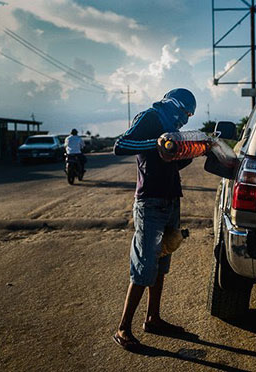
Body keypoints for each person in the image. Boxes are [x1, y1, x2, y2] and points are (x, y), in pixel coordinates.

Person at [112, 88, 196, 351]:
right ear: (173, 105)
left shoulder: (172, 128)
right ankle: (123, 328)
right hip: (150, 202)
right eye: (184, 113)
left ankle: (153, 318)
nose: (185, 120)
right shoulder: (150, 117)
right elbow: (121, 145)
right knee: (144, 265)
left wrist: (188, 152)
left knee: (161, 262)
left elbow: (169, 162)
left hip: (171, 199)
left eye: (189, 116)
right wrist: (157, 142)